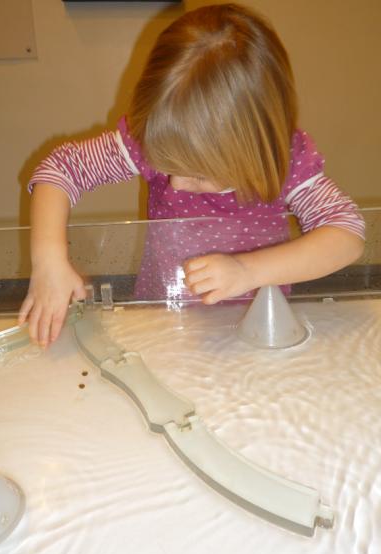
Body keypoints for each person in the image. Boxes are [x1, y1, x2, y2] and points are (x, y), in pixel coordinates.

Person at [19, 3, 365, 347]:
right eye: (167, 166)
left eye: (198, 174)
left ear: (253, 150)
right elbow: (60, 169)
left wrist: (247, 271)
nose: (176, 184)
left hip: (256, 328)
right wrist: (49, 261)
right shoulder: (152, 139)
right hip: (163, 318)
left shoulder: (283, 161)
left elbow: (346, 233)